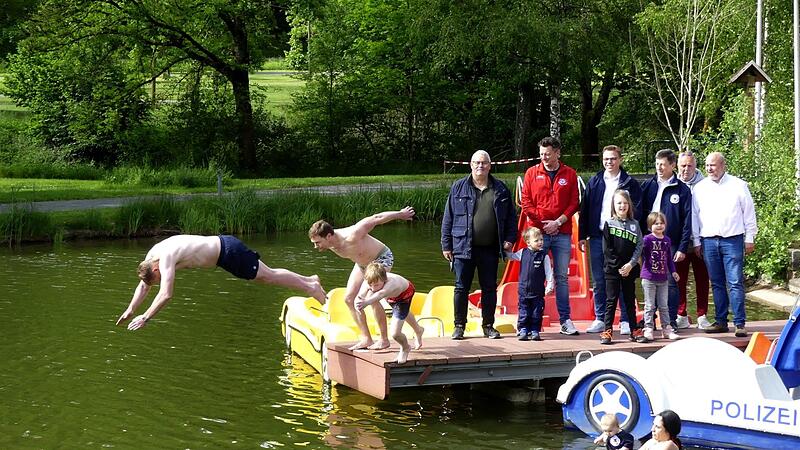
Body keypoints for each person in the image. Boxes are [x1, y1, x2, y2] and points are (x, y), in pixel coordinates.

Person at [117, 234, 326, 330]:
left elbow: (166, 294)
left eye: (159, 277)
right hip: (225, 252)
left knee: (268, 276)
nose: (160, 277)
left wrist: (145, 317)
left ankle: (311, 286)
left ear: (156, 269)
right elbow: (145, 284)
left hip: (228, 253)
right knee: (266, 276)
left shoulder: (166, 258)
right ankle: (309, 281)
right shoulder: (151, 257)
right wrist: (131, 309)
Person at [309, 207, 416, 350]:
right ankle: (367, 338)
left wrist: (400, 214)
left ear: (329, 236)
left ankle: (384, 340)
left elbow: (376, 218)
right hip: (362, 265)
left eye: (317, 242)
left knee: (371, 295)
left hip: (381, 259)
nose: (316, 246)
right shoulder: (330, 243)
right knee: (348, 299)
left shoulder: (353, 234)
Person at [441, 150, 517, 340]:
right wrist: (446, 245)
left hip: (491, 248)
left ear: (490, 166)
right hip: (462, 246)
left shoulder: (500, 188)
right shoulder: (458, 187)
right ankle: (459, 326)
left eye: (483, 163)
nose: (480, 166)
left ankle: (489, 326)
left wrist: (510, 239)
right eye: (476, 163)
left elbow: (511, 217)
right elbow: (448, 217)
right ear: (471, 165)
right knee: (460, 288)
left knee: (490, 288)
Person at [692, 152, 757, 337]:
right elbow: (694, 217)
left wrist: (750, 237)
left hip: (733, 239)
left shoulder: (738, 185)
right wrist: (696, 241)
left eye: (713, 165)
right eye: (707, 165)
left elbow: (748, 212)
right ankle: (721, 321)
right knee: (717, 283)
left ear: (723, 165)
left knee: (735, 282)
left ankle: (739, 323)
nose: (709, 169)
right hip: (709, 240)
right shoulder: (699, 188)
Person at [520, 136, 581, 335]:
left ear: (557, 153)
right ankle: (528, 322)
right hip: (539, 233)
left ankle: (565, 320)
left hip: (562, 233)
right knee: (532, 275)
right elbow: (526, 202)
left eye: (547, 154)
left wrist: (558, 222)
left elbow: (574, 202)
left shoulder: (570, 174)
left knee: (561, 277)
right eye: (541, 154)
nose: (544, 158)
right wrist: (542, 224)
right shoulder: (531, 173)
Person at [579, 145, 642, 335]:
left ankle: (624, 320)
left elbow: (638, 209)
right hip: (599, 236)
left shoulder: (630, 182)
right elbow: (585, 208)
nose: (609, 162)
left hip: (624, 238)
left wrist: (637, 239)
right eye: (606, 159)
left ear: (620, 160)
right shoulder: (595, 181)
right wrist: (582, 235)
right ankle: (600, 318)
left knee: (624, 278)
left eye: (613, 158)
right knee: (599, 279)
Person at [639, 149, 692, 333]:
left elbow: (687, 221)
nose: (659, 168)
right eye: (657, 164)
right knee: (649, 282)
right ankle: (649, 322)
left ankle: (670, 322)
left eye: (663, 164)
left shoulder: (682, 189)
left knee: (670, 283)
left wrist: (683, 247)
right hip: (649, 242)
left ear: (672, 165)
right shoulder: (648, 185)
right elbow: (639, 214)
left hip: (672, 243)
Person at [355, 262, 425, 364]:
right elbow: (360, 296)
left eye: (376, 285)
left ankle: (405, 347)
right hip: (392, 297)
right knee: (403, 313)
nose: (373, 287)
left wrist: (365, 302)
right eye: (371, 284)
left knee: (395, 333)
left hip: (404, 296)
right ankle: (418, 330)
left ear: (384, 280)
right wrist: (359, 301)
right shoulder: (370, 280)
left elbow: (380, 294)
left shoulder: (391, 283)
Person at [600, 189, 644, 345]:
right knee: (611, 301)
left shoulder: (635, 224)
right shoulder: (609, 223)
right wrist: (619, 267)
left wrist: (630, 264)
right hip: (612, 270)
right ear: (613, 204)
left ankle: (634, 330)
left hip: (629, 270)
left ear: (629, 205)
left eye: (625, 203)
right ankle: (607, 331)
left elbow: (639, 245)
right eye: (619, 203)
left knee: (629, 300)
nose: (622, 206)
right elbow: (607, 249)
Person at [675, 151, 712, 329]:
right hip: (679, 241)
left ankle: (702, 315)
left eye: (690, 165)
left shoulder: (706, 185)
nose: (686, 169)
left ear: (695, 166)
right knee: (678, 279)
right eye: (683, 166)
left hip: (702, 240)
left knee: (703, 279)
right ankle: (681, 314)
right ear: (677, 166)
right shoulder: (672, 184)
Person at [505, 227, 554, 341]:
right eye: (536, 240)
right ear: (528, 242)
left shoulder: (544, 256)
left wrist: (549, 285)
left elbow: (549, 272)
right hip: (523, 291)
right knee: (523, 311)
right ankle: (523, 329)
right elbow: (511, 257)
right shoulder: (523, 252)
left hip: (537, 292)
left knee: (537, 312)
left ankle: (535, 330)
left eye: (541, 239)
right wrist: (507, 250)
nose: (540, 242)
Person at [641, 212, 680, 341]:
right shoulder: (647, 239)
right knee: (650, 305)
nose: (659, 226)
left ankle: (666, 328)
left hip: (663, 278)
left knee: (664, 305)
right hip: (649, 278)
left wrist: (673, 272)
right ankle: (648, 328)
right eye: (656, 223)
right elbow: (640, 252)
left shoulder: (667, 240)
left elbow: (669, 259)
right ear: (650, 226)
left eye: (661, 223)